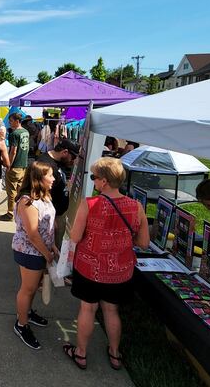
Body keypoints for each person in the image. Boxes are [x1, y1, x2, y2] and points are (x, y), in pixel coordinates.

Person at [64, 157, 149, 371]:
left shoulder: (90, 204)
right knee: (111, 310)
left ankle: (81, 353)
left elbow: (75, 236)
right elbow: (144, 242)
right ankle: (115, 353)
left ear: (103, 182)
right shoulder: (136, 206)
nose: (93, 181)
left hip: (89, 268)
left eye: (94, 177)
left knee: (88, 308)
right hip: (120, 270)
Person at [12, 161, 57, 350]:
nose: (54, 179)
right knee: (28, 289)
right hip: (29, 251)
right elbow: (32, 233)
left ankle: (27, 313)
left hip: (40, 251)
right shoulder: (27, 201)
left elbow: (46, 228)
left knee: (32, 287)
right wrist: (47, 253)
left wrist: (52, 245)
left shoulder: (44, 197)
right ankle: (21, 325)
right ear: (39, 178)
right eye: (50, 175)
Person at [37, 139, 79, 245]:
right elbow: (40, 191)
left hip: (58, 212)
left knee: (57, 245)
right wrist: (51, 216)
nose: (72, 160)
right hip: (52, 215)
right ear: (65, 152)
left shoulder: (59, 162)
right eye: (72, 157)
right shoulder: (45, 163)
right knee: (52, 247)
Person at [0, 113, 30, 221]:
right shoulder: (26, 132)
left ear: (17, 121)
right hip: (23, 165)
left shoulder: (14, 134)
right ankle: (20, 212)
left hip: (15, 165)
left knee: (11, 191)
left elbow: (13, 150)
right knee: (20, 191)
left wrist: (8, 164)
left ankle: (10, 213)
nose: (9, 123)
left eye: (11, 120)